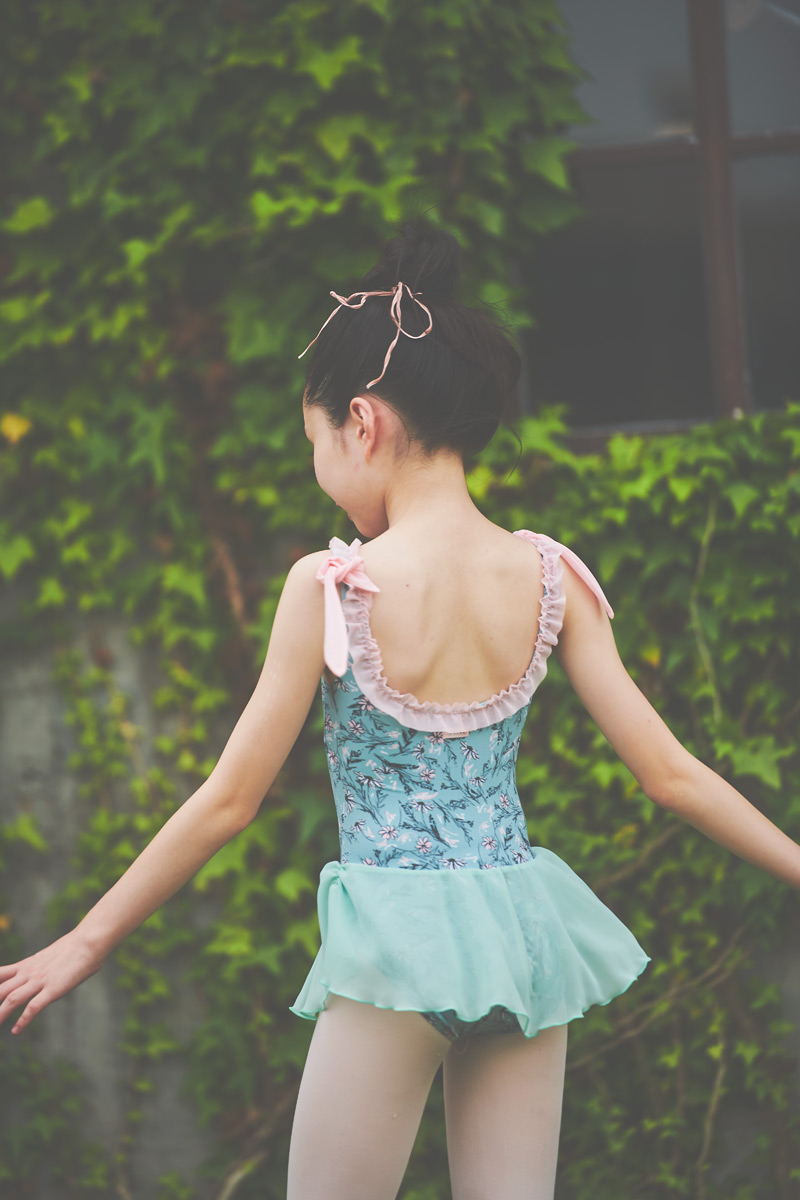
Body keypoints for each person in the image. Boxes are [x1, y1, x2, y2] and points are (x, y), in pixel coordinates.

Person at [1, 218, 798, 1200]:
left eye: (314, 441)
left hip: (393, 948)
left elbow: (228, 800)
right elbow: (669, 775)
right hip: (520, 939)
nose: (318, 467)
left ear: (362, 423)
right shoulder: (552, 578)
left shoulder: (332, 587)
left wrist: (84, 940)